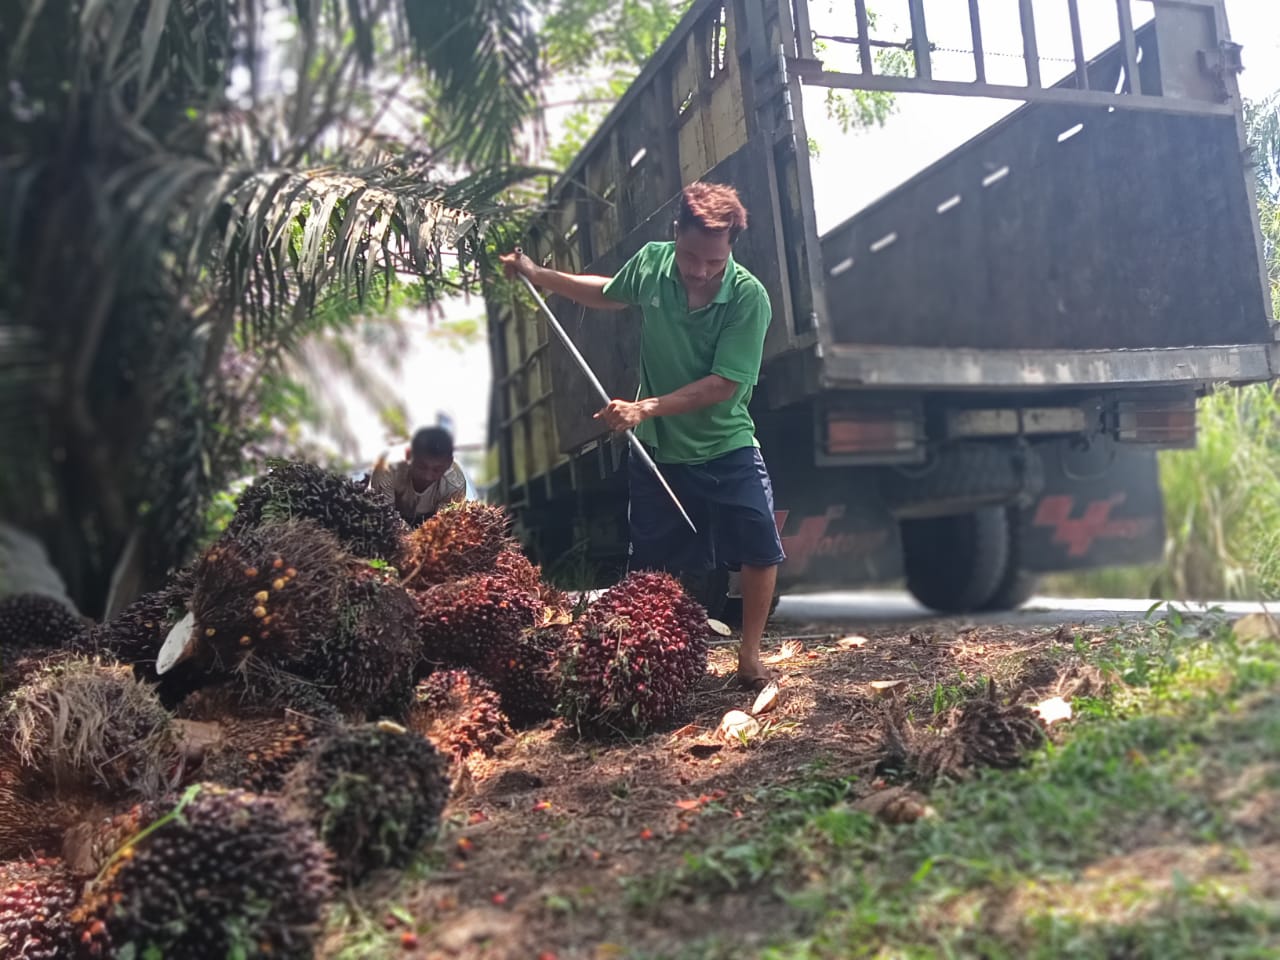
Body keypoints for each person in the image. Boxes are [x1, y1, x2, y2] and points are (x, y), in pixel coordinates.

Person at [500, 181, 785, 690]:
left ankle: (748, 657)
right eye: (691, 256)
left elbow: (723, 386)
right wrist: (539, 275)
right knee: (652, 566)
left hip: (727, 445)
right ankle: (646, 660)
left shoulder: (748, 299)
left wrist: (645, 407)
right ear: (676, 233)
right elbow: (606, 292)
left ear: (731, 250)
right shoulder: (654, 264)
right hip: (659, 450)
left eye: (713, 263)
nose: (699, 272)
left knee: (760, 548)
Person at [370, 426, 468, 526]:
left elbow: (444, 525)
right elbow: (384, 516)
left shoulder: (455, 486)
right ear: (409, 455)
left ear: (448, 463)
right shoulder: (387, 469)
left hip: (430, 522)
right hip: (393, 518)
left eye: (437, 470)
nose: (427, 477)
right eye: (421, 466)